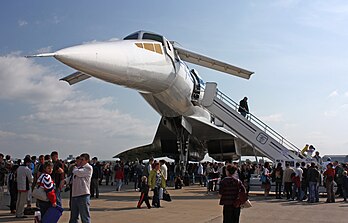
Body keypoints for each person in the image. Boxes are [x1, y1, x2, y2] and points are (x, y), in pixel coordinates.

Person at [69, 153, 93, 223]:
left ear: (87, 160)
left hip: (83, 194)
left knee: (84, 217)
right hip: (75, 194)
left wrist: (74, 168)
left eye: (82, 160)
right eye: (80, 159)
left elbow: (78, 172)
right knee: (73, 217)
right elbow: (72, 177)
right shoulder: (78, 168)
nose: (81, 161)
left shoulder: (88, 168)